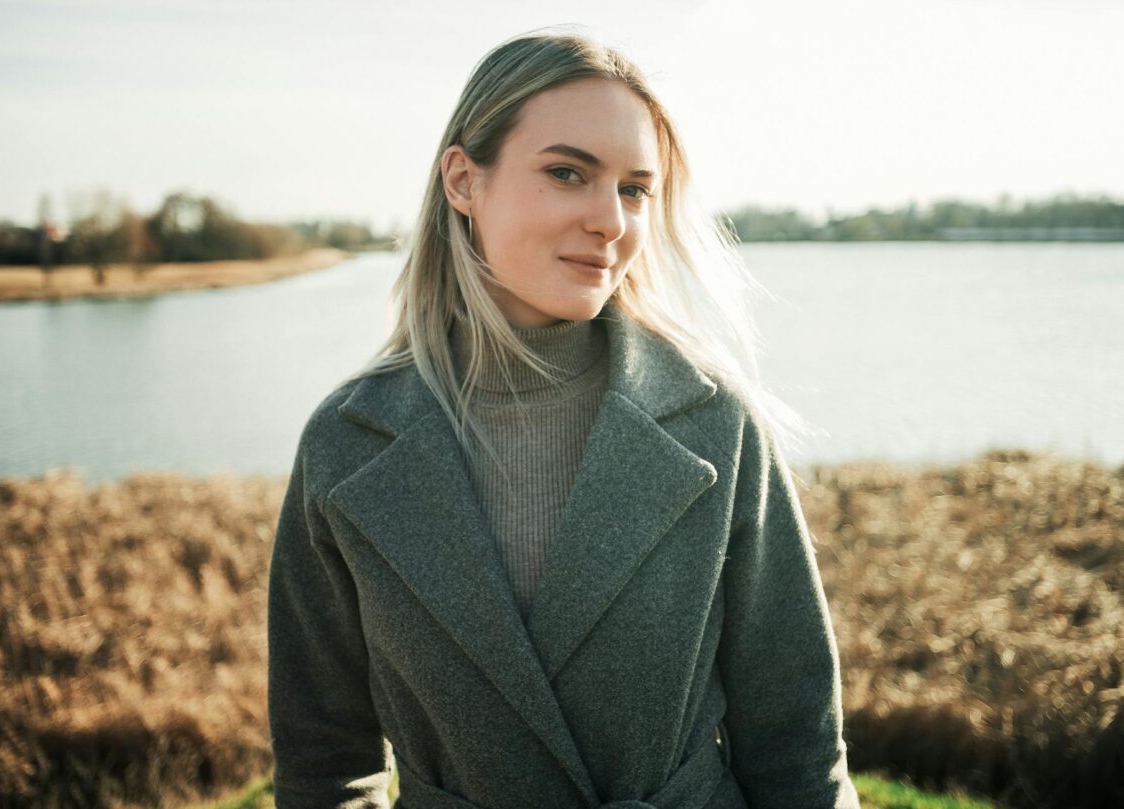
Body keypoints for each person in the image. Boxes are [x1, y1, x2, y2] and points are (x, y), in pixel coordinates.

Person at [267, 27, 860, 809]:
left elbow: (799, 752)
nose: (611, 220)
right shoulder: (347, 444)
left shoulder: (715, 426)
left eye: (635, 189)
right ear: (462, 181)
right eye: (568, 172)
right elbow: (324, 765)